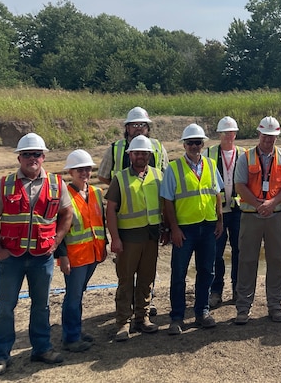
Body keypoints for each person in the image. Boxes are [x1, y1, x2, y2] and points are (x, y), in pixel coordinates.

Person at [0, 133, 73, 377]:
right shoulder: (4, 185)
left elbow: (67, 214)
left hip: (42, 256)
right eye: (27, 154)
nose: (32, 158)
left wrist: (56, 241)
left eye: (36, 154)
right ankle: (1, 355)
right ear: (19, 157)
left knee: (41, 306)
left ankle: (42, 349)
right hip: (11, 257)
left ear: (43, 157)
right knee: (5, 307)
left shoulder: (56, 184)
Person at [161, 124, 224, 335]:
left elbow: (216, 194)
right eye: (190, 143)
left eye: (198, 143)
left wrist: (219, 220)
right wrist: (174, 229)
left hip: (207, 226)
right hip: (185, 229)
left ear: (203, 144)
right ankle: (177, 317)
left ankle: (202, 312)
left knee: (207, 271)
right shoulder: (174, 168)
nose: (194, 146)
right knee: (179, 273)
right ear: (184, 145)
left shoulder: (210, 164)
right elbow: (168, 201)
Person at [233, 116, 281, 324]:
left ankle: (275, 304)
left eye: (272, 137)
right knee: (247, 260)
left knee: (277, 260)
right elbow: (240, 185)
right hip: (251, 216)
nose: (268, 141)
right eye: (265, 136)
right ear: (259, 134)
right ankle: (243, 307)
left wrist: (272, 203)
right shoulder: (246, 157)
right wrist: (259, 204)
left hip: (275, 216)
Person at [105, 135, 162, 341]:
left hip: (150, 237)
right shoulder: (120, 178)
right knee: (126, 280)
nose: (141, 156)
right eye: (137, 153)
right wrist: (115, 238)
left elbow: (164, 205)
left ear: (149, 155)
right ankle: (122, 322)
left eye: (145, 153)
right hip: (128, 239)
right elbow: (110, 210)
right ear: (130, 155)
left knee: (147, 279)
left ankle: (142, 318)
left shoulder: (157, 175)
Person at [56, 149, 107, 353]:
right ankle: (71, 337)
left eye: (87, 169)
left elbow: (100, 222)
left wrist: (104, 246)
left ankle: (75, 330)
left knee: (79, 294)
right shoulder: (64, 195)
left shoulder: (95, 193)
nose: (84, 172)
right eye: (79, 169)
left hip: (93, 253)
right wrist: (62, 255)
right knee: (73, 296)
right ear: (70, 172)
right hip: (74, 256)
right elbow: (57, 228)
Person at [203, 116, 246, 308]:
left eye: (231, 132)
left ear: (235, 134)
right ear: (219, 134)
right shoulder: (209, 153)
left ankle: (237, 288)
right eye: (225, 133)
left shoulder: (244, 154)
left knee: (239, 250)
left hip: (238, 211)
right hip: (217, 211)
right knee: (216, 253)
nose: (229, 136)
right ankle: (216, 291)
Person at [97, 106, 168, 185]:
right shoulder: (114, 149)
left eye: (142, 125)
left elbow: (166, 175)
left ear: (147, 128)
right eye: (134, 125)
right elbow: (102, 176)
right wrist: (119, 190)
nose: (138, 128)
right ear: (127, 128)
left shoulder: (158, 147)